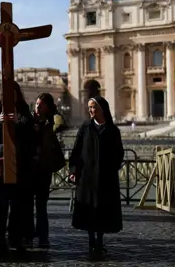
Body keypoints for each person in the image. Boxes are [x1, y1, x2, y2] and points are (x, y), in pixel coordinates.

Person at [69, 96, 124, 259]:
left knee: (103, 210)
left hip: (106, 178)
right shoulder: (85, 127)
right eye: (89, 107)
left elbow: (119, 153)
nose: (90, 110)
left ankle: (100, 240)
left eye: (93, 107)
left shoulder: (113, 130)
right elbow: (76, 151)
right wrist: (74, 170)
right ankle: (91, 240)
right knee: (89, 210)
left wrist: (112, 167)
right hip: (87, 177)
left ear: (102, 109)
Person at [0, 82, 36, 251]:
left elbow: (30, 136)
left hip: (20, 163)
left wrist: (18, 123)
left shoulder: (24, 111)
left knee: (17, 203)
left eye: (13, 93)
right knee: (1, 202)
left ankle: (15, 236)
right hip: (1, 162)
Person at [32, 93, 65, 248]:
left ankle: (42, 236)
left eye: (41, 105)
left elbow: (61, 125)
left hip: (44, 168)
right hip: (30, 166)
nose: (37, 107)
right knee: (26, 204)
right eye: (36, 104)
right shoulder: (29, 120)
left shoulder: (52, 121)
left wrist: (48, 123)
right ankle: (29, 234)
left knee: (41, 205)